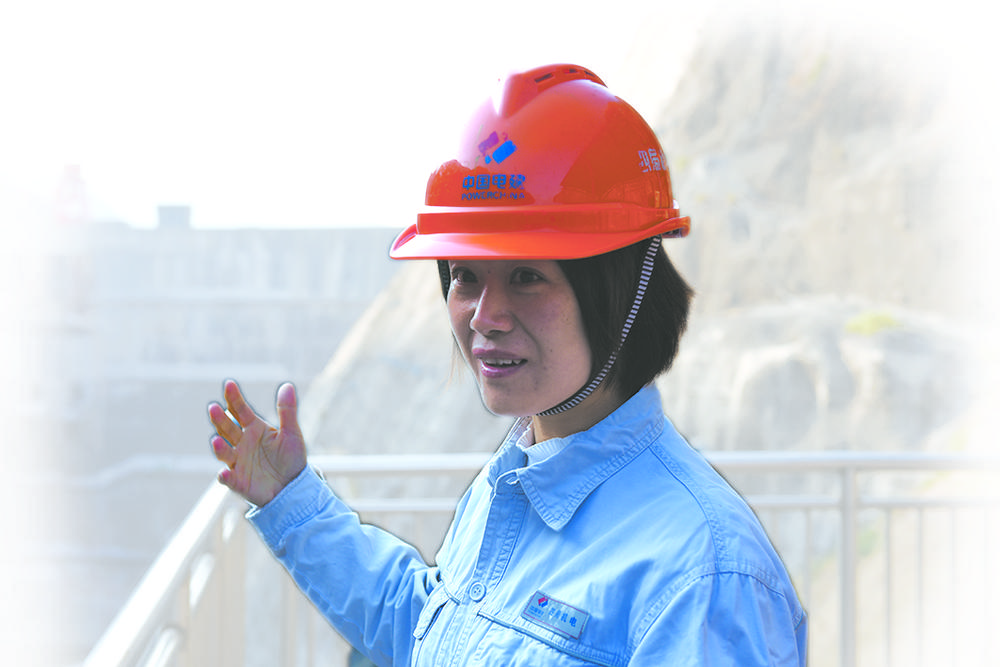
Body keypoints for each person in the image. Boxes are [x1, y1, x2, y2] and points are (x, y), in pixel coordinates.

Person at [208, 63, 807, 666]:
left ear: (621, 291)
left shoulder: (704, 576)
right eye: (465, 276)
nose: (485, 316)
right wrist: (293, 503)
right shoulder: (517, 475)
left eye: (526, 277)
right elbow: (429, 632)